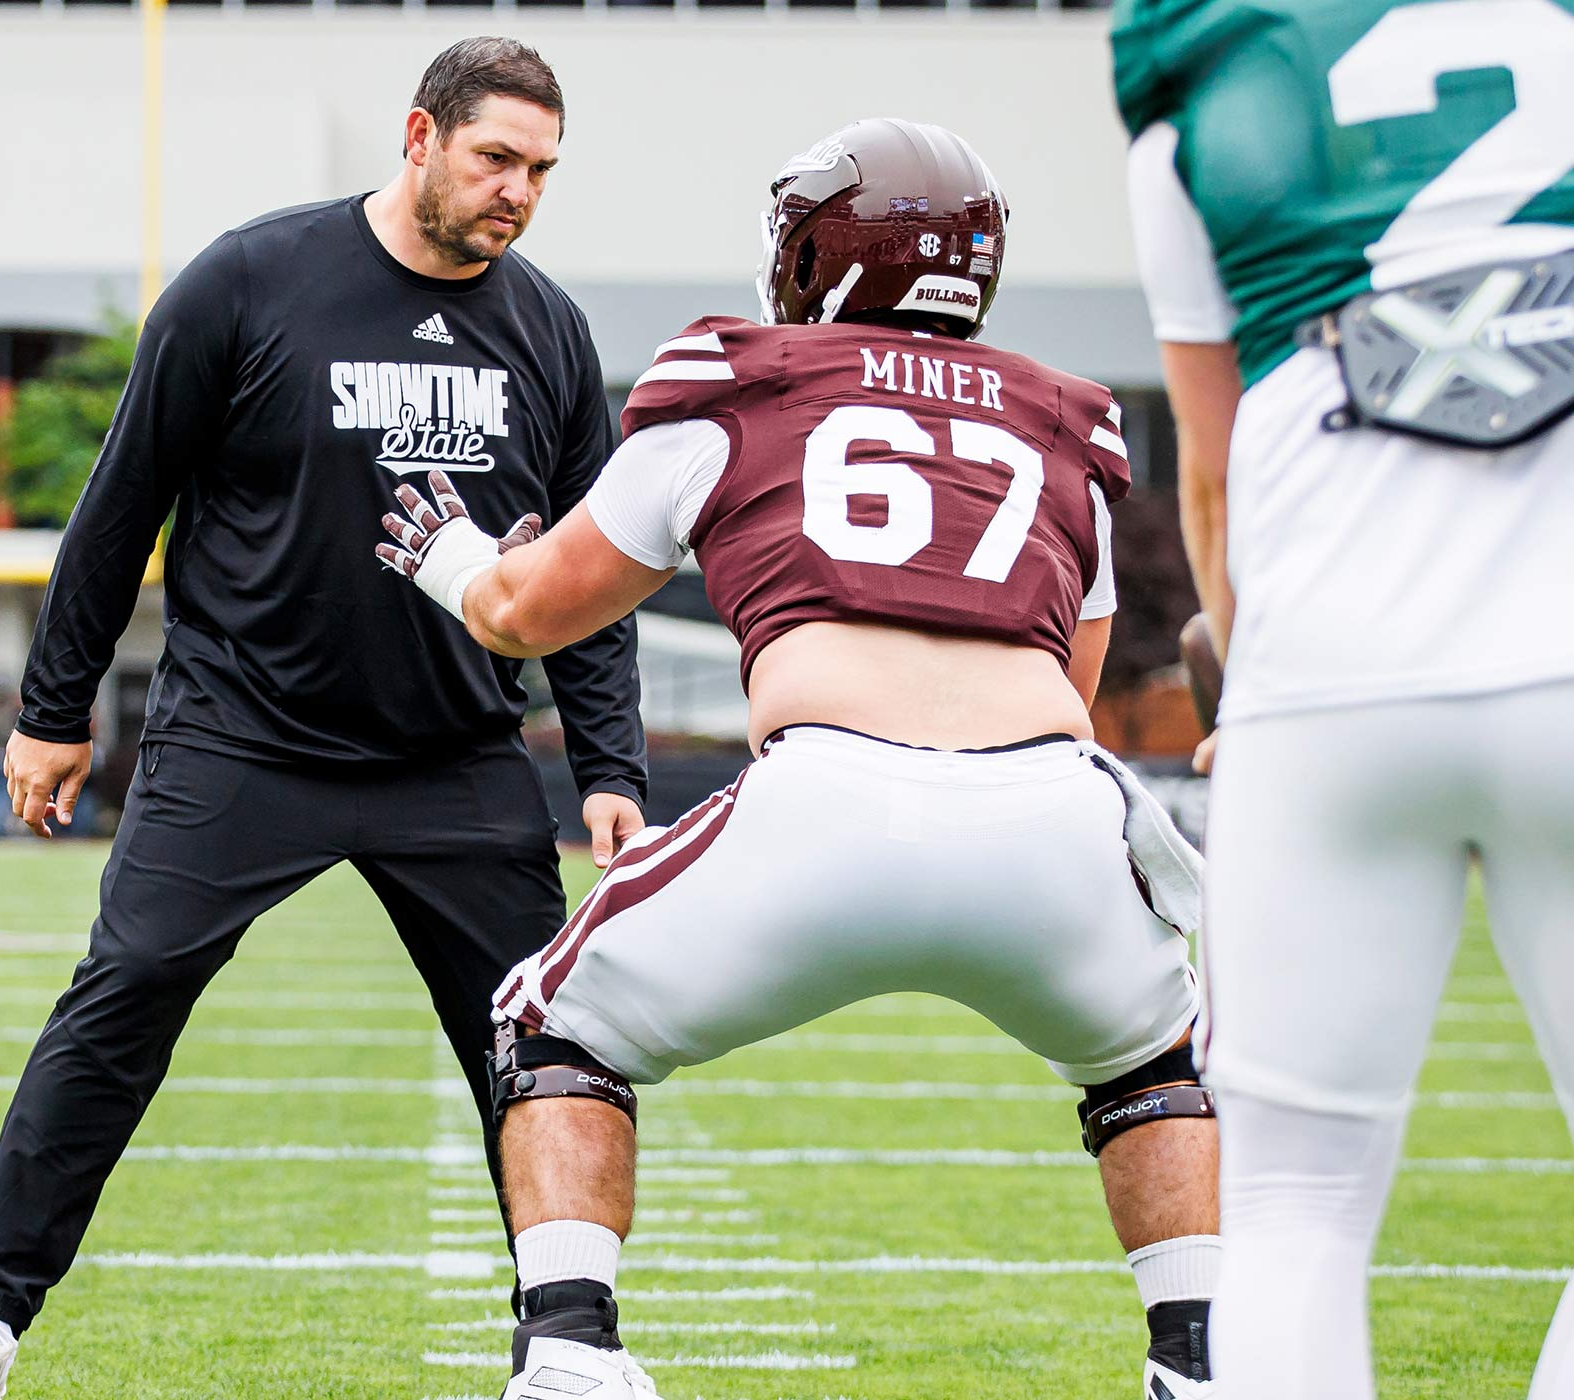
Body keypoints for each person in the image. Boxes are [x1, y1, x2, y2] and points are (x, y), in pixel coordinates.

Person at [378, 119, 1222, 1400]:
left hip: (826, 798)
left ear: (818, 254)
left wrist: (446, 549)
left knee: (549, 1024)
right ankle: (1202, 1360)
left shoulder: (736, 378)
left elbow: (527, 613)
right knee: (1156, 1063)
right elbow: (1076, 686)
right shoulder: (1069, 428)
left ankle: (569, 1349)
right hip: (1053, 809)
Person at [0, 38, 646, 1399]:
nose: (518, 191)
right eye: (494, 158)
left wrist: (609, 763)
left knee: (547, 1044)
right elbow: (121, 508)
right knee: (121, 1000)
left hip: (454, 755)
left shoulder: (551, 332)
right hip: (245, 734)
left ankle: (571, 1345)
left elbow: (588, 574)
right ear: (420, 136)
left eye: (540, 170)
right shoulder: (249, 279)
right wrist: (55, 711)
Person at [1113, 0, 1574, 1393]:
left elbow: (1211, 475)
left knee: (1292, 1204)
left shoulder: (1200, 90)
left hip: (1327, 662)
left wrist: (1259, 697)